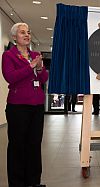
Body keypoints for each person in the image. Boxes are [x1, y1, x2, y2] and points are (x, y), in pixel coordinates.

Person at [2, 23, 48, 187]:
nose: (27, 35)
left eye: (28, 32)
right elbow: (10, 77)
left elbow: (43, 79)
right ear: (14, 37)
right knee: (17, 145)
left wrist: (41, 69)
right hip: (18, 106)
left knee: (34, 144)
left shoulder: (35, 54)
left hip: (36, 106)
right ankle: (17, 183)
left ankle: (34, 181)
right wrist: (30, 66)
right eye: (22, 32)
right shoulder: (8, 55)